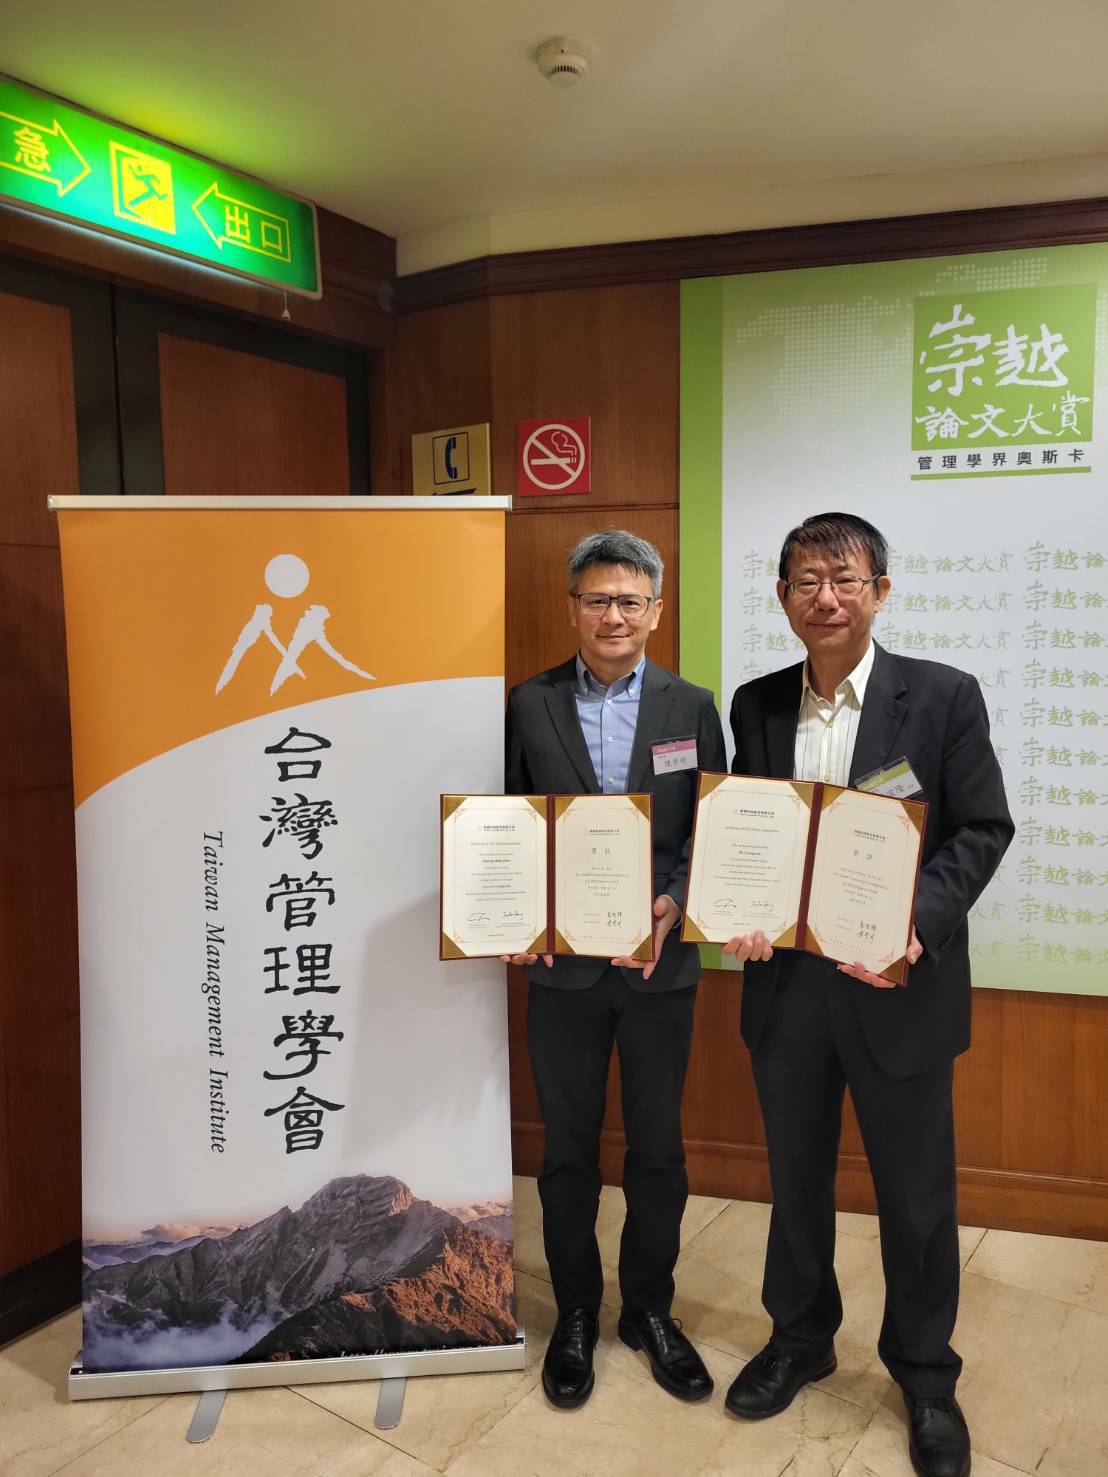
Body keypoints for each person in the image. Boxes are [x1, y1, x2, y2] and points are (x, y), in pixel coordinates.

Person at [723, 512, 1013, 1477]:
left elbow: (982, 828)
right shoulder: (757, 703)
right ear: (783, 597)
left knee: (916, 1195)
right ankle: (800, 1337)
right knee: (796, 1179)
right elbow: (751, 835)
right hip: (788, 987)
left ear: (880, 590)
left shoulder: (942, 695)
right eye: (806, 581)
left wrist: (914, 924)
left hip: (899, 986)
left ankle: (925, 1373)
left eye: (844, 579)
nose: (827, 598)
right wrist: (740, 908)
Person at [504, 529, 726, 1410]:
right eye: (597, 599)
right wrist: (514, 916)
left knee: (658, 1149)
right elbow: (510, 822)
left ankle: (649, 1310)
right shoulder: (530, 703)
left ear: (656, 611)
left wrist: (676, 897)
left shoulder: (692, 705)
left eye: (630, 600)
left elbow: (713, 827)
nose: (614, 615)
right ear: (573, 608)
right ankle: (575, 1312)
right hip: (562, 971)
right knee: (566, 1153)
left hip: (657, 968)